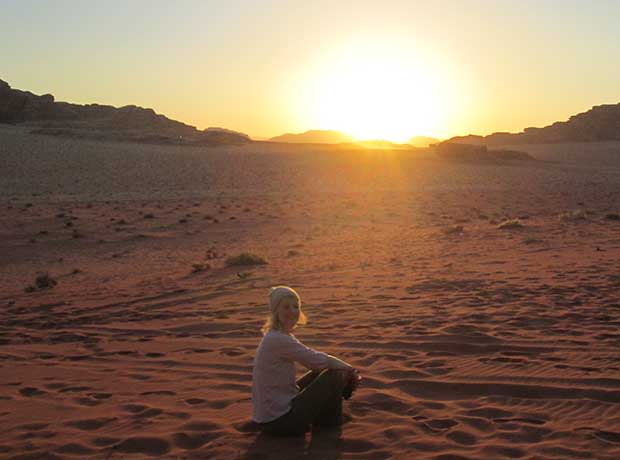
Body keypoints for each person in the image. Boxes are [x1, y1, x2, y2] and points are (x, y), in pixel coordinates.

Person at [251, 286, 361, 436]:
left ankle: (327, 418)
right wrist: (350, 370)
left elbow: (317, 362)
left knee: (323, 372)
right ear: (275, 311)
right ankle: (329, 423)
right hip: (279, 421)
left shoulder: (278, 335)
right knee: (335, 374)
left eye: (296, 306)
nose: (292, 311)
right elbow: (318, 360)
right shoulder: (277, 339)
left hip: (273, 415)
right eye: (285, 307)